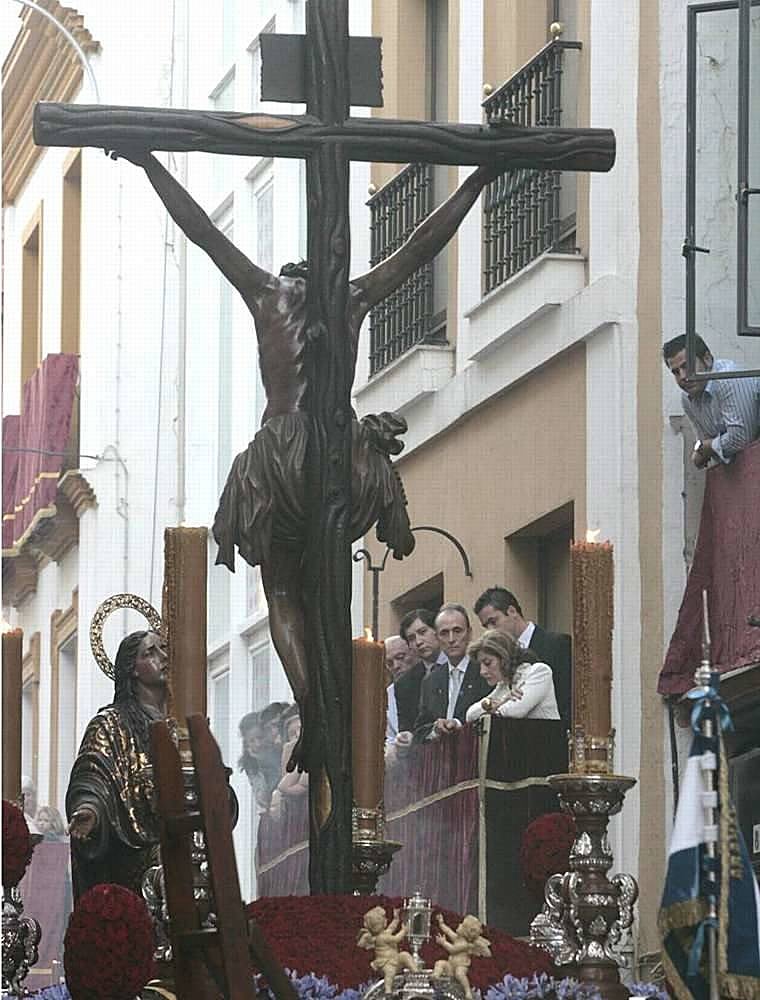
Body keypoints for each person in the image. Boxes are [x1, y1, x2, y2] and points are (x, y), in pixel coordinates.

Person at [112, 146, 503, 771]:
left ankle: (314, 708)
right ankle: (334, 710)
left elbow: (203, 231)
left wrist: (149, 164)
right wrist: (480, 174)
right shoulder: (350, 298)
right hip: (341, 449)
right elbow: (424, 244)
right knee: (330, 590)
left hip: (281, 449)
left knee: (285, 593)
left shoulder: (268, 294)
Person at [66, 631, 169, 899]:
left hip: (180, 846)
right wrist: (91, 810)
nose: (164, 657)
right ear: (131, 669)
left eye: (164, 649)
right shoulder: (110, 725)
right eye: (150, 653)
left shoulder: (180, 722)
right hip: (133, 858)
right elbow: (92, 776)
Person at [474, 587, 572, 724]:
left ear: (512, 611)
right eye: (486, 626)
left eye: (493, 622)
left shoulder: (556, 644)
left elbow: (569, 700)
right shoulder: (494, 659)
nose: (490, 631)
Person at [663, 334, 760, 468]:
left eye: (687, 366)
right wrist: (704, 447)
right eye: (676, 372)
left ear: (707, 359)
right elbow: (703, 441)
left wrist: (705, 448)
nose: (683, 376)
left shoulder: (726, 378)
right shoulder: (687, 398)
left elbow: (741, 438)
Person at [413, 604, 492, 741]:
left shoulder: (485, 670)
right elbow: (419, 732)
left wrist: (458, 723)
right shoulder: (431, 680)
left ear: (469, 633)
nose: (451, 639)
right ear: (437, 638)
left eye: (457, 631)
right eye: (444, 633)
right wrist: (435, 730)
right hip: (442, 758)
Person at [464, 629, 560, 723]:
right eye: (480, 665)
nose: (482, 671)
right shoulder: (503, 684)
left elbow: (514, 712)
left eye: (487, 663)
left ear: (504, 658)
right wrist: (502, 701)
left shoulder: (539, 672)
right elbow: (470, 715)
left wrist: (498, 704)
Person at [395, 609, 446, 734]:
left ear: (437, 631)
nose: (418, 642)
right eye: (411, 638)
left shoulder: (460, 663)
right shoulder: (404, 684)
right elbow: (406, 727)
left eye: (422, 632)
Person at [357, 905, 417, 996]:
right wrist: (404, 931)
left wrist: (396, 919)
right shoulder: (382, 938)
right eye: (384, 920)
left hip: (394, 959)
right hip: (386, 963)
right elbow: (397, 938)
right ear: (379, 925)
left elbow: (391, 928)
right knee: (390, 973)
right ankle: (388, 990)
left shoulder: (384, 933)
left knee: (405, 955)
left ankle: (415, 972)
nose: (386, 921)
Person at [431, 913, 491, 1000]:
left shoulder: (465, 945)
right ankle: (435, 975)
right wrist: (441, 923)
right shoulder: (457, 939)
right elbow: (448, 931)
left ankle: (467, 991)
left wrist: (443, 943)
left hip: (461, 966)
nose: (459, 925)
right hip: (451, 966)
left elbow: (452, 949)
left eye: (462, 925)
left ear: (467, 932)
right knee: (440, 963)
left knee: (460, 974)